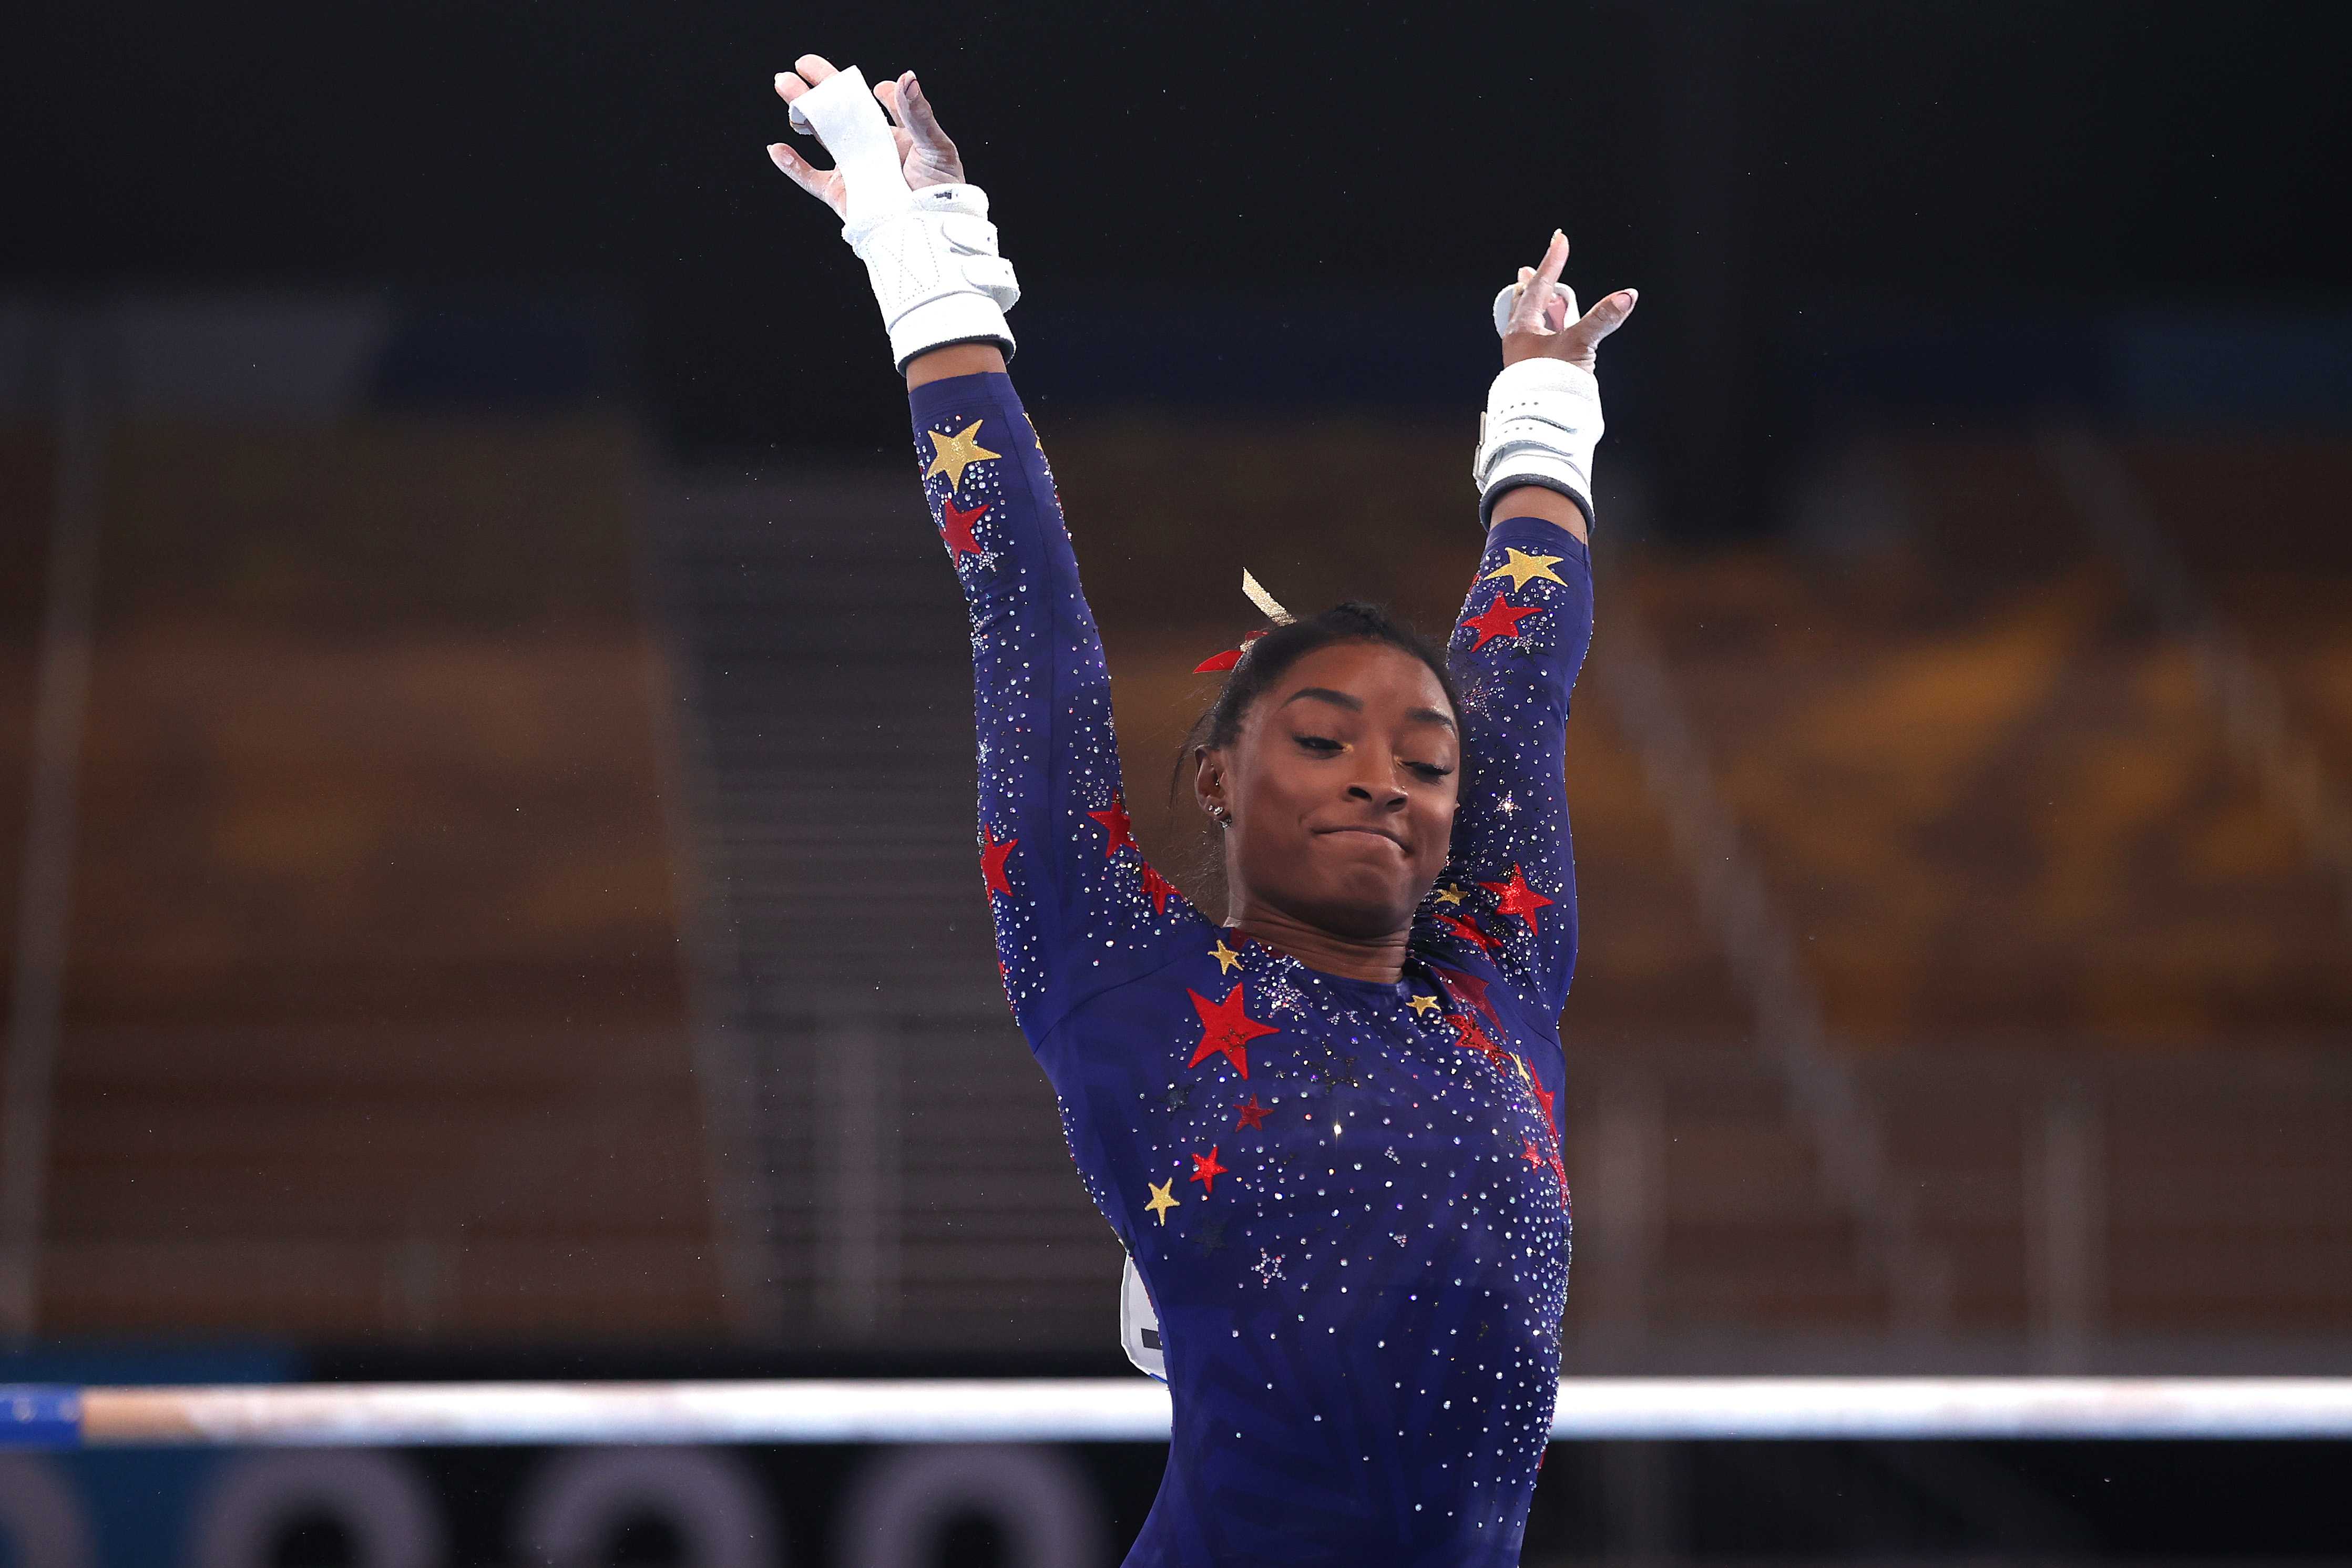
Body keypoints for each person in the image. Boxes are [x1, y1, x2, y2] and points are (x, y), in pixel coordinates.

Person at [768, 54, 1634, 1567]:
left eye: (1424, 763)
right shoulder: (1118, 973)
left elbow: (1516, 682)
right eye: (1322, 739)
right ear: (1221, 781)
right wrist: (921, 262)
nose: (1386, 775)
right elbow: (1021, 612)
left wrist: (1542, 416)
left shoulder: (1499, 978)